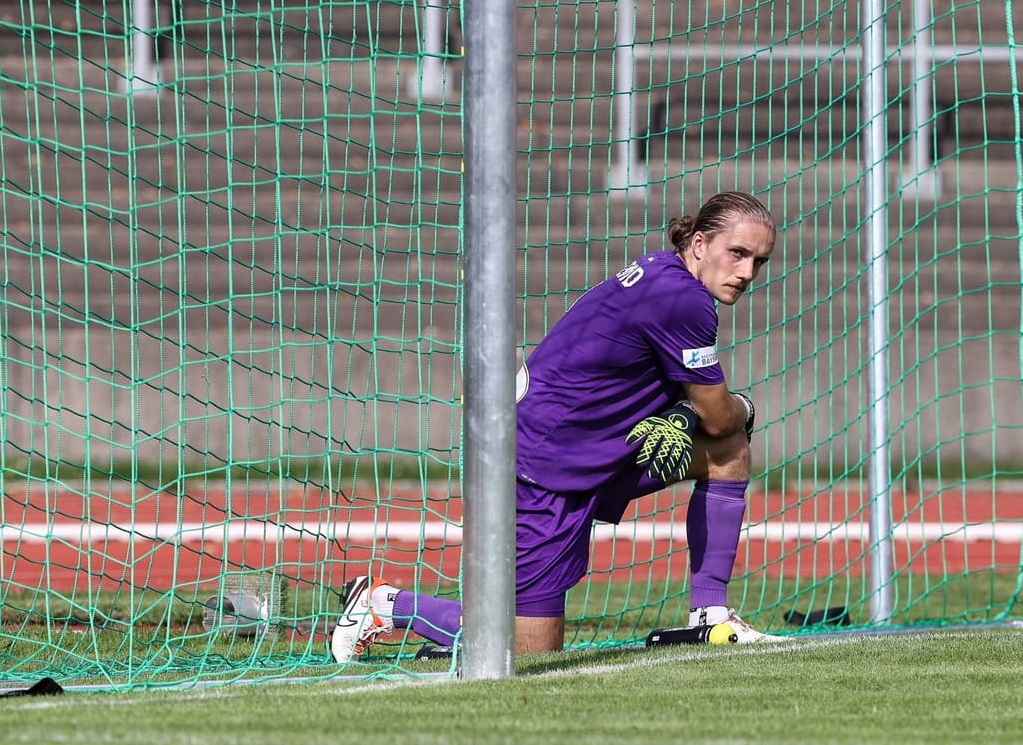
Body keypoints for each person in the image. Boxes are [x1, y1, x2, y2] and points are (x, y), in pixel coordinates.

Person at [329, 191, 783, 662]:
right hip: (542, 468)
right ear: (699, 243)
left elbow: (682, 396)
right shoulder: (684, 300)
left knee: (727, 452)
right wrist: (737, 408)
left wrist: (688, 413)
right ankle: (385, 605)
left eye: (759, 261)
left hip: (600, 453)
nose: (747, 272)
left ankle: (710, 615)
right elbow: (717, 412)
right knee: (531, 651)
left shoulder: (664, 270)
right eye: (738, 253)